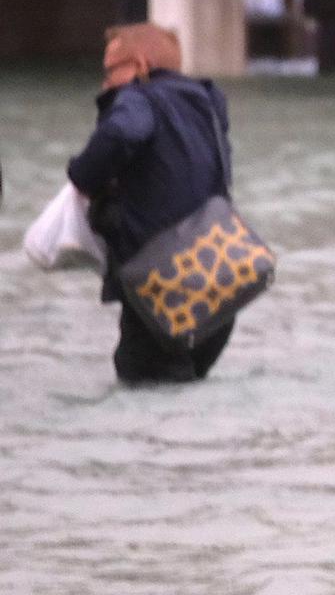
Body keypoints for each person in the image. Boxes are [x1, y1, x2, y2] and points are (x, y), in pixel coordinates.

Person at [65, 23, 241, 383]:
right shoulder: (207, 101)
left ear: (140, 66)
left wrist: (81, 177)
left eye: (110, 71)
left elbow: (120, 133)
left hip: (162, 287)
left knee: (145, 388)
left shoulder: (140, 98)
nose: (105, 83)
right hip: (219, 283)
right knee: (188, 390)